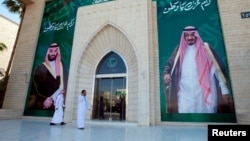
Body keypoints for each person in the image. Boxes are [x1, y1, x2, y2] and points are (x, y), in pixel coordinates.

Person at [163, 26, 233, 113]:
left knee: (205, 115)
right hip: (184, 92)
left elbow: (218, 70)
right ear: (183, 37)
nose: (190, 38)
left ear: (196, 36)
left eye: (192, 35)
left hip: (203, 91)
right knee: (185, 114)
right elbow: (169, 65)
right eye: (187, 35)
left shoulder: (206, 49)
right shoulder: (178, 51)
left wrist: (224, 89)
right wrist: (166, 74)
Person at [28, 43, 68, 110]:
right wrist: (46, 100)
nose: (53, 53)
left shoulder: (61, 66)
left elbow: (65, 83)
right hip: (45, 102)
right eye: (51, 51)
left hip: (59, 100)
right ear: (48, 52)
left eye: (55, 51)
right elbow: (36, 90)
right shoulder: (41, 68)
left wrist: (57, 95)